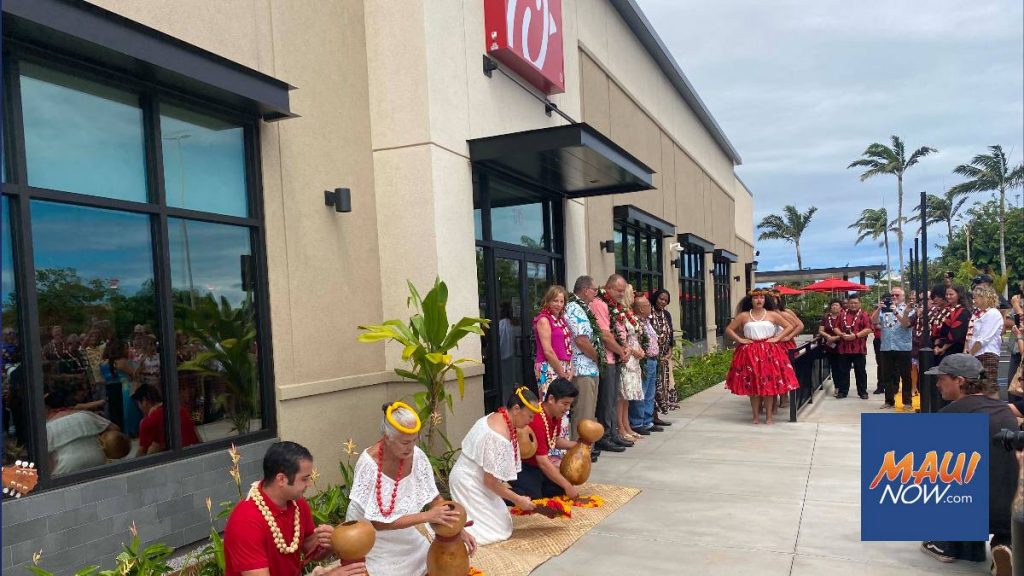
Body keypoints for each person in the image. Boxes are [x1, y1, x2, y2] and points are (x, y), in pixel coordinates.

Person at [345, 402, 474, 576]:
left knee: (430, 561)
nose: (411, 447)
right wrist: (427, 516)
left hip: (402, 532)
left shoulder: (417, 456)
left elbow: (435, 499)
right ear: (387, 437)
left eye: (414, 440)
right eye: (405, 442)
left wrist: (455, 530)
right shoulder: (369, 464)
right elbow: (379, 523)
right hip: (370, 537)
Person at [920, 354, 1017, 575]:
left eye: (942, 378)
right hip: (1009, 509)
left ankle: (949, 544)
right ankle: (1004, 546)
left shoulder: (951, 414)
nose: (937, 384)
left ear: (960, 381)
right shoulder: (1003, 410)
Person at [224, 441, 366, 576]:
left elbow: (312, 550)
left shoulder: (297, 504)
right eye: (304, 479)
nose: (309, 484)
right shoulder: (245, 522)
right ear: (281, 479)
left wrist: (331, 543)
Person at [449, 387, 540, 545]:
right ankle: (453, 530)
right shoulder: (498, 434)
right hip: (467, 481)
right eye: (530, 416)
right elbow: (490, 482)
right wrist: (518, 500)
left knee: (503, 523)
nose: (530, 421)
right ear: (516, 409)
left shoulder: (499, 415)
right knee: (495, 532)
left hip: (479, 478)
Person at [723, 289, 798, 424]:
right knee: (753, 386)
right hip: (749, 353)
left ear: (765, 300)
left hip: (769, 352)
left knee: (769, 385)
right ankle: (755, 416)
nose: (759, 300)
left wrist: (778, 338)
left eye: (762, 298)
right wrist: (740, 340)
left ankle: (769, 416)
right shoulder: (744, 315)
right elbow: (729, 329)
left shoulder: (772, 314)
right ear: (751, 300)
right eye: (756, 298)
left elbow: (789, 326)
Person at [509, 378, 581, 499]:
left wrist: (576, 445)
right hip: (519, 464)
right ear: (551, 399)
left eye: (570, 404)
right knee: (534, 495)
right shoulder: (537, 419)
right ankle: (497, 495)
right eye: (565, 403)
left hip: (535, 465)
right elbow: (542, 462)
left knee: (558, 489)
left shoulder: (555, 415)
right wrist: (567, 486)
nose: (568, 408)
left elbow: (553, 440)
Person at [590, 275, 632, 452]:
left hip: (614, 357)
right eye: (619, 291)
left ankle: (613, 433)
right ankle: (604, 436)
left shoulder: (615, 306)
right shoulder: (599, 304)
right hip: (606, 359)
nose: (622, 294)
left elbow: (620, 331)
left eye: (623, 291)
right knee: (606, 401)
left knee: (613, 399)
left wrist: (626, 348)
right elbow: (605, 335)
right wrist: (621, 351)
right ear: (608, 288)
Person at [564, 276, 604, 459]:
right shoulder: (573, 308)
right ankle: (578, 450)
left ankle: (586, 447)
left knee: (589, 412)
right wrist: (597, 357)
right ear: (586, 289)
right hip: (582, 368)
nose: (596, 293)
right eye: (594, 290)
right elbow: (580, 339)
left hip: (590, 367)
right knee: (583, 412)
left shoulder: (584, 308)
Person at [532, 285, 573, 456]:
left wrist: (570, 368)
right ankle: (549, 449)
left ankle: (561, 447)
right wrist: (561, 372)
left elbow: (567, 347)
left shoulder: (561, 320)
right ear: (548, 301)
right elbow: (548, 351)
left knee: (564, 407)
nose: (558, 304)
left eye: (561, 301)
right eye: (555, 300)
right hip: (549, 368)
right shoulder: (544, 320)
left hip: (563, 367)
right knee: (551, 406)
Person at [45, 389, 120, 476]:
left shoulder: (48, 427)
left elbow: (46, 459)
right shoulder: (85, 415)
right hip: (98, 459)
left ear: (47, 409)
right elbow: (115, 429)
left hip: (66, 469)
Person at [870, 287, 915, 410]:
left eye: (897, 295)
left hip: (903, 347)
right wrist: (879, 308)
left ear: (902, 297)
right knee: (887, 375)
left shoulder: (908, 309)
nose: (894, 297)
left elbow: (906, 324)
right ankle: (889, 401)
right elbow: (873, 321)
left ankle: (907, 402)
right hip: (887, 346)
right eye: (892, 295)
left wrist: (896, 312)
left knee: (905, 376)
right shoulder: (884, 310)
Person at [130, 384, 202, 457]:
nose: (139, 407)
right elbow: (198, 437)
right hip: (197, 455)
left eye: (138, 403)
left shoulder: (147, 421)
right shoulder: (181, 410)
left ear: (145, 401)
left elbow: (141, 453)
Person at [630, 295, 662, 435]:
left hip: (653, 360)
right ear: (642, 308)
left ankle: (648, 421)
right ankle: (638, 422)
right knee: (641, 392)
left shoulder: (647, 321)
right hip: (644, 361)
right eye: (648, 306)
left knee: (649, 393)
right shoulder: (635, 323)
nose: (651, 308)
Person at [616, 286, 645, 440]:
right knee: (621, 395)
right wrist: (634, 351)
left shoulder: (629, 313)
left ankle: (627, 425)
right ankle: (620, 427)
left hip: (634, 358)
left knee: (627, 396)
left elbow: (634, 337)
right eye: (631, 292)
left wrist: (639, 350)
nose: (634, 294)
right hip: (627, 356)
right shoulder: (619, 313)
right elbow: (622, 339)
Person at [832, 295, 872, 400]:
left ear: (860, 303)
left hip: (858, 348)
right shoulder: (842, 314)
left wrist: (855, 335)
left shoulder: (864, 314)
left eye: (855, 303)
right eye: (851, 303)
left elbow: (868, 329)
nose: (853, 305)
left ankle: (863, 392)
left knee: (860, 372)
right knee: (843, 371)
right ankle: (843, 391)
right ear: (848, 303)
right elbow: (835, 327)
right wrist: (841, 335)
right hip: (844, 348)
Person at [965, 285, 1004, 392]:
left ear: (985, 297)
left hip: (986, 354)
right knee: (977, 388)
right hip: (975, 354)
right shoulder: (977, 314)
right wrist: (966, 351)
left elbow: (983, 338)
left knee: (989, 387)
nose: (974, 301)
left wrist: (970, 354)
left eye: (976, 297)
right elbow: (970, 335)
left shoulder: (992, 313)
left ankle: (994, 408)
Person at [649, 289, 678, 419]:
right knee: (652, 388)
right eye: (661, 298)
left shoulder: (666, 314)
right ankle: (651, 416)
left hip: (664, 357)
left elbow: (671, 333)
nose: (663, 302)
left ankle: (657, 416)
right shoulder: (648, 312)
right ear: (655, 298)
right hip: (651, 356)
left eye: (666, 300)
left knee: (664, 386)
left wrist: (670, 351)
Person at [934, 285, 971, 361]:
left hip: (954, 350)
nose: (948, 296)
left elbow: (956, 334)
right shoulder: (946, 310)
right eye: (947, 294)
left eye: (951, 294)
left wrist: (943, 348)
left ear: (959, 295)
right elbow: (937, 327)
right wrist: (937, 345)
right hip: (940, 348)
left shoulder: (963, 312)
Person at [818, 299, 844, 398]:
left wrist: (836, 337)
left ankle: (843, 387)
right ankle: (837, 387)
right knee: (834, 368)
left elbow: (846, 330)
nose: (834, 307)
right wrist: (828, 337)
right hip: (830, 347)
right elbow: (820, 330)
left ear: (841, 307)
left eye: (837, 305)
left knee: (842, 367)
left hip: (842, 345)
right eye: (833, 305)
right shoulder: (826, 317)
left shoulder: (844, 317)